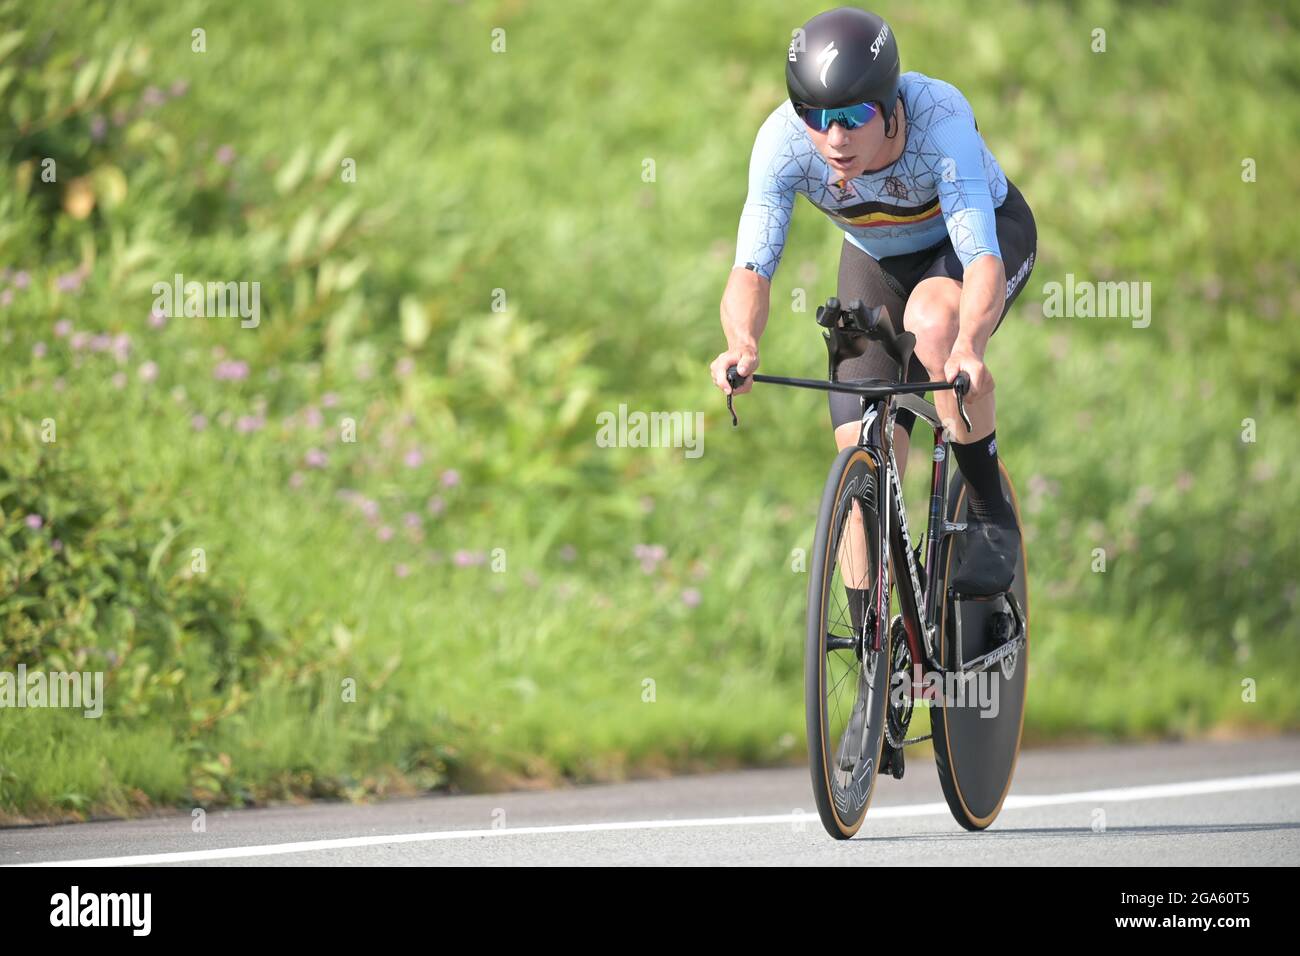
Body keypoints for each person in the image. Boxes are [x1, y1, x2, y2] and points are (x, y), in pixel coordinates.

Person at [710, 6, 1037, 595]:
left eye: (854, 116)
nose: (834, 138)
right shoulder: (783, 143)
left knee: (935, 322)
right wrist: (742, 343)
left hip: (971, 243)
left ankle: (991, 515)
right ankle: (874, 651)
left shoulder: (940, 121)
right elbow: (751, 269)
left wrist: (970, 344)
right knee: (860, 458)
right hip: (875, 259)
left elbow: (982, 254)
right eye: (817, 115)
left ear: (889, 105)